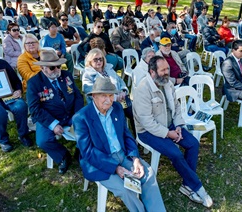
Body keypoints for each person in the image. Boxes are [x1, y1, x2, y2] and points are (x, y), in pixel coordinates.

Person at [73, 77, 166, 212]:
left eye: (111, 95)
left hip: (122, 155)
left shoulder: (116, 107)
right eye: (103, 95)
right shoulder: (81, 118)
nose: (108, 99)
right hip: (100, 162)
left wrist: (135, 159)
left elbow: (126, 134)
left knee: (149, 174)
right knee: (125, 189)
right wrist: (116, 167)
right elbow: (88, 152)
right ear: (93, 96)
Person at [133, 56, 213, 208]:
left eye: (167, 69)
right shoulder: (143, 89)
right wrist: (168, 133)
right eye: (162, 70)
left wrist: (178, 126)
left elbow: (176, 108)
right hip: (148, 131)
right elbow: (147, 122)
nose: (166, 72)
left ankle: (187, 185)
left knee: (193, 144)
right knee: (175, 154)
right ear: (152, 72)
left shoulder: (168, 83)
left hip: (169, 125)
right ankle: (198, 187)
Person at [27, 49, 84, 174]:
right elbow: (35, 110)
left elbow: (78, 97)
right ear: (43, 68)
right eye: (52, 68)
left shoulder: (66, 75)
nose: (57, 70)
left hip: (70, 114)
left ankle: (80, 151)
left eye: (58, 66)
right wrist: (53, 124)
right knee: (43, 141)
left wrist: (77, 116)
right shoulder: (34, 83)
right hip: (50, 117)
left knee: (87, 127)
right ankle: (63, 156)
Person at [82, 49, 135, 133]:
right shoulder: (87, 75)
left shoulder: (108, 69)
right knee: (119, 117)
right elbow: (91, 93)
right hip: (103, 104)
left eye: (101, 59)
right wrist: (113, 98)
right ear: (90, 61)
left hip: (120, 98)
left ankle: (138, 137)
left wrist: (123, 91)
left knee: (134, 113)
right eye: (95, 59)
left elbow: (120, 81)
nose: (99, 61)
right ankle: (121, 136)